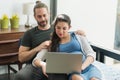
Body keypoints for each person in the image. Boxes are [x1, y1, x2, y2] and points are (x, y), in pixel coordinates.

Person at [13, 1, 85, 80]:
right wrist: (38, 48)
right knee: (20, 76)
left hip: (56, 64)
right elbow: (21, 58)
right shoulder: (29, 34)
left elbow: (66, 33)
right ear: (35, 17)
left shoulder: (57, 29)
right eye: (39, 16)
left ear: (49, 14)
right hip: (34, 64)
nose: (43, 19)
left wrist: (77, 32)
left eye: (44, 15)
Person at [33, 14, 102, 80]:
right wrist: (43, 64)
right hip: (73, 72)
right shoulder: (52, 44)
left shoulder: (78, 36)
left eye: (64, 28)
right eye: (58, 28)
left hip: (88, 67)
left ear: (69, 27)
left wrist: (82, 67)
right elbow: (36, 60)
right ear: (55, 27)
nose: (61, 31)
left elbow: (91, 54)